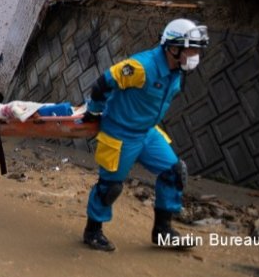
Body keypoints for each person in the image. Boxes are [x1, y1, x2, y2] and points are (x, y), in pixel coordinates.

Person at [80, 18, 209, 251]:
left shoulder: (175, 71)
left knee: (174, 172)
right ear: (173, 47)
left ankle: (163, 231)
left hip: (147, 133)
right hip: (120, 132)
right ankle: (93, 231)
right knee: (110, 186)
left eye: (197, 50)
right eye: (191, 49)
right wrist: (94, 110)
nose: (195, 55)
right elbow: (103, 83)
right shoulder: (141, 67)